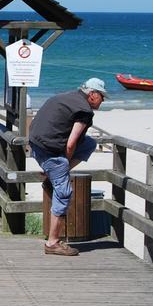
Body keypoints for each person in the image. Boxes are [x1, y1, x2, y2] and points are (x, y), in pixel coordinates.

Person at [28, 78, 106, 256]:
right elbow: (70, 145)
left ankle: (54, 175)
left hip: (36, 143)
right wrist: (63, 162)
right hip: (50, 150)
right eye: (102, 96)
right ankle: (53, 242)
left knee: (88, 144)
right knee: (64, 193)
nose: (103, 100)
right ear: (92, 94)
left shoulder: (67, 97)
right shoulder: (84, 111)